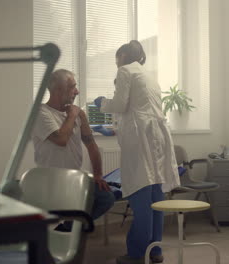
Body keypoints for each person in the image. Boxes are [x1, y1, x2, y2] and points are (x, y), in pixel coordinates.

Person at [94, 40, 180, 264]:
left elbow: (121, 104)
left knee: (141, 195)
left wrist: (101, 103)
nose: (116, 63)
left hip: (141, 141)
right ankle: (155, 251)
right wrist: (114, 129)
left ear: (123, 56)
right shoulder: (148, 75)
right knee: (155, 197)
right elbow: (138, 111)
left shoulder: (125, 70)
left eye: (116, 59)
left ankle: (135, 254)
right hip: (156, 138)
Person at [31, 69, 115, 230]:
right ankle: (72, 230)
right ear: (58, 90)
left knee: (106, 198)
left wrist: (98, 174)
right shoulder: (41, 113)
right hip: (52, 181)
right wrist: (72, 115)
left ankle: (69, 229)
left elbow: (91, 145)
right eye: (72, 87)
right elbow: (61, 140)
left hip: (75, 178)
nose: (77, 91)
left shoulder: (79, 114)